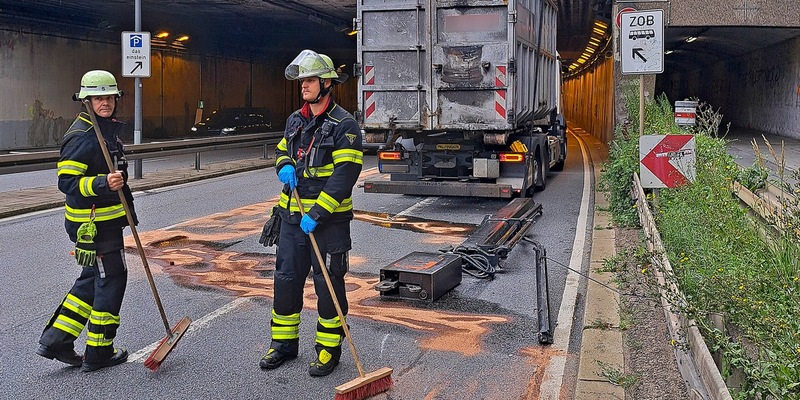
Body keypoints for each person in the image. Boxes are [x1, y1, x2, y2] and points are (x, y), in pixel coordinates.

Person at [259, 50, 363, 377]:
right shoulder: (295, 120)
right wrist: (284, 165)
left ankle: (328, 351)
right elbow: (281, 150)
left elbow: (345, 174)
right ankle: (283, 345)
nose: (303, 85)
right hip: (291, 221)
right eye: (302, 80)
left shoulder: (344, 125)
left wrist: (317, 213)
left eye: (310, 80)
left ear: (326, 83)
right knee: (286, 282)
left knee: (328, 287)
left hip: (328, 224)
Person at [37, 70, 136, 372]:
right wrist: (103, 184)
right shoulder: (83, 136)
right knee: (111, 278)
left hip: (103, 222)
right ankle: (99, 351)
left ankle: (56, 340)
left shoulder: (104, 130)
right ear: (86, 100)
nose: (104, 102)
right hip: (94, 226)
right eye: (98, 97)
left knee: (92, 280)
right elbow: (67, 182)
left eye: (108, 97)